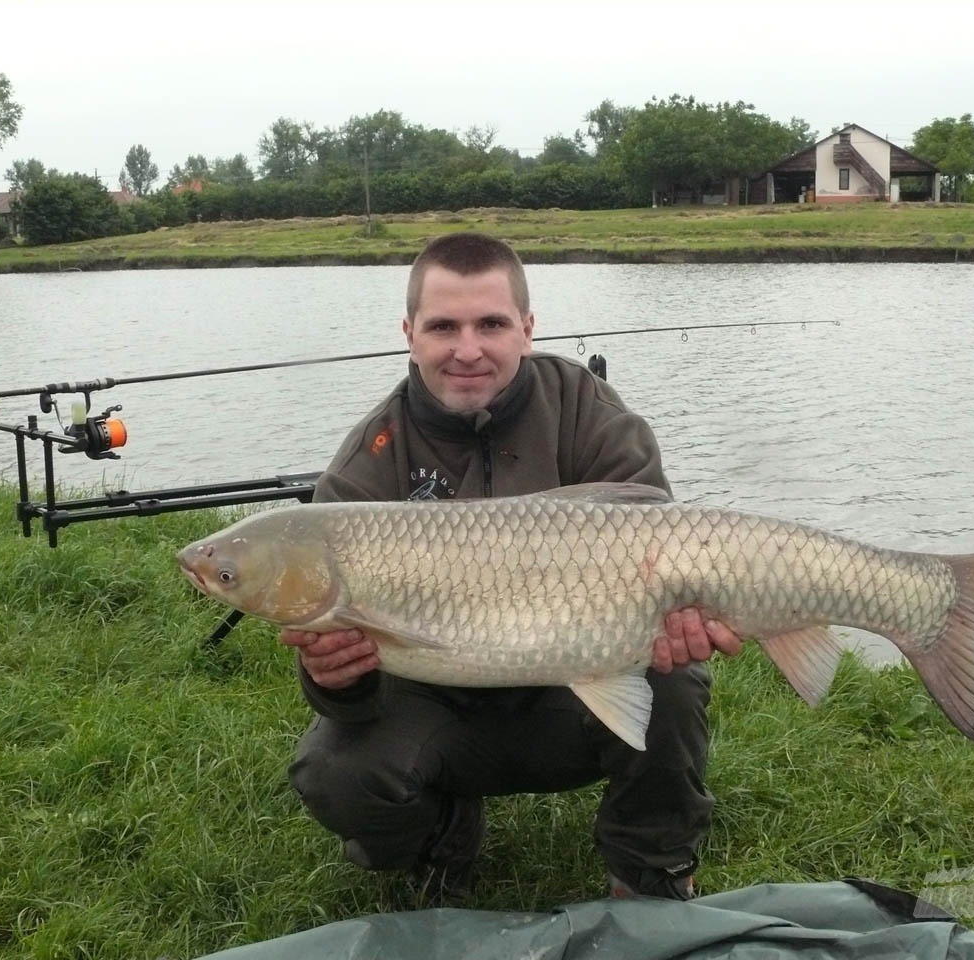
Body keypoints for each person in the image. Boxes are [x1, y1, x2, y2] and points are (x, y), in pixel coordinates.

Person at [282, 232, 742, 904]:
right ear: (409, 334)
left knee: (674, 678)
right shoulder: (366, 467)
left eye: (491, 324)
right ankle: (442, 837)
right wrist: (333, 677)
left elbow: (660, 551)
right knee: (333, 769)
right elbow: (341, 692)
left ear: (526, 328)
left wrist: (682, 619)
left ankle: (649, 871)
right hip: (440, 703)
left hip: (574, 687)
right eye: (443, 327)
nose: (467, 349)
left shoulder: (590, 414)